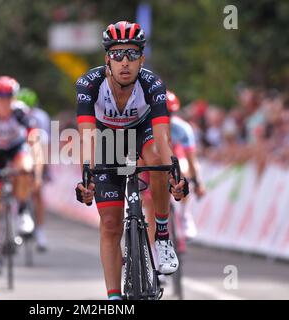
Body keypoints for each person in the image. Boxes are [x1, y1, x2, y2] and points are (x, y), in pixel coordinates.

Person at [75, 21, 189, 300]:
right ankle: (114, 297)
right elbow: (87, 137)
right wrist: (86, 178)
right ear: (107, 60)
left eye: (131, 54)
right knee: (110, 223)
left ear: (141, 59)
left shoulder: (153, 84)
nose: (124, 61)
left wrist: (175, 172)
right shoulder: (89, 84)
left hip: (143, 131)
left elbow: (163, 139)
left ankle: (161, 235)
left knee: (156, 157)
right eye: (117, 55)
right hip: (106, 139)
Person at [0, 76, 37, 273]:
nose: (5, 102)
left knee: (25, 167)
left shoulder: (20, 111)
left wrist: (34, 162)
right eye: (1, 98)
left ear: (14, 97)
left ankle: (22, 209)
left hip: (16, 149)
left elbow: (32, 135)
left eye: (9, 97)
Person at [142, 90, 205, 253]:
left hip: (173, 159)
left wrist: (197, 182)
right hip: (150, 163)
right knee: (151, 208)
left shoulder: (182, 129)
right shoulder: (144, 127)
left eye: (169, 113)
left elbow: (192, 160)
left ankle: (184, 215)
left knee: (183, 170)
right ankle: (155, 252)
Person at [17, 87, 51, 252]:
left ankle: (40, 232)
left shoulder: (41, 117)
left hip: (36, 150)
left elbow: (44, 145)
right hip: (19, 153)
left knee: (37, 193)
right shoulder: (14, 114)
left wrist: (44, 169)